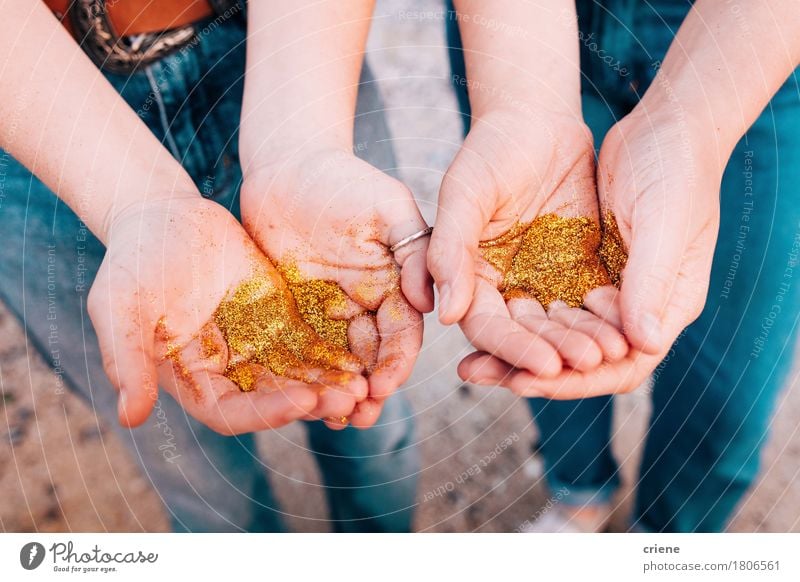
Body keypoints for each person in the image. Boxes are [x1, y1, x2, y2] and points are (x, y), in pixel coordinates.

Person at [0, 0, 426, 532]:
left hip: (299, 51)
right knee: (190, 466)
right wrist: (138, 201)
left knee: (368, 395)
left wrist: (304, 147)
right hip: (34, 118)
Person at [435, 0, 800, 531]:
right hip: (519, 27)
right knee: (551, 355)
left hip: (758, 40)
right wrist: (522, 110)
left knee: (731, 389)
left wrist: (689, 124)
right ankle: (578, 497)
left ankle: (664, 543)